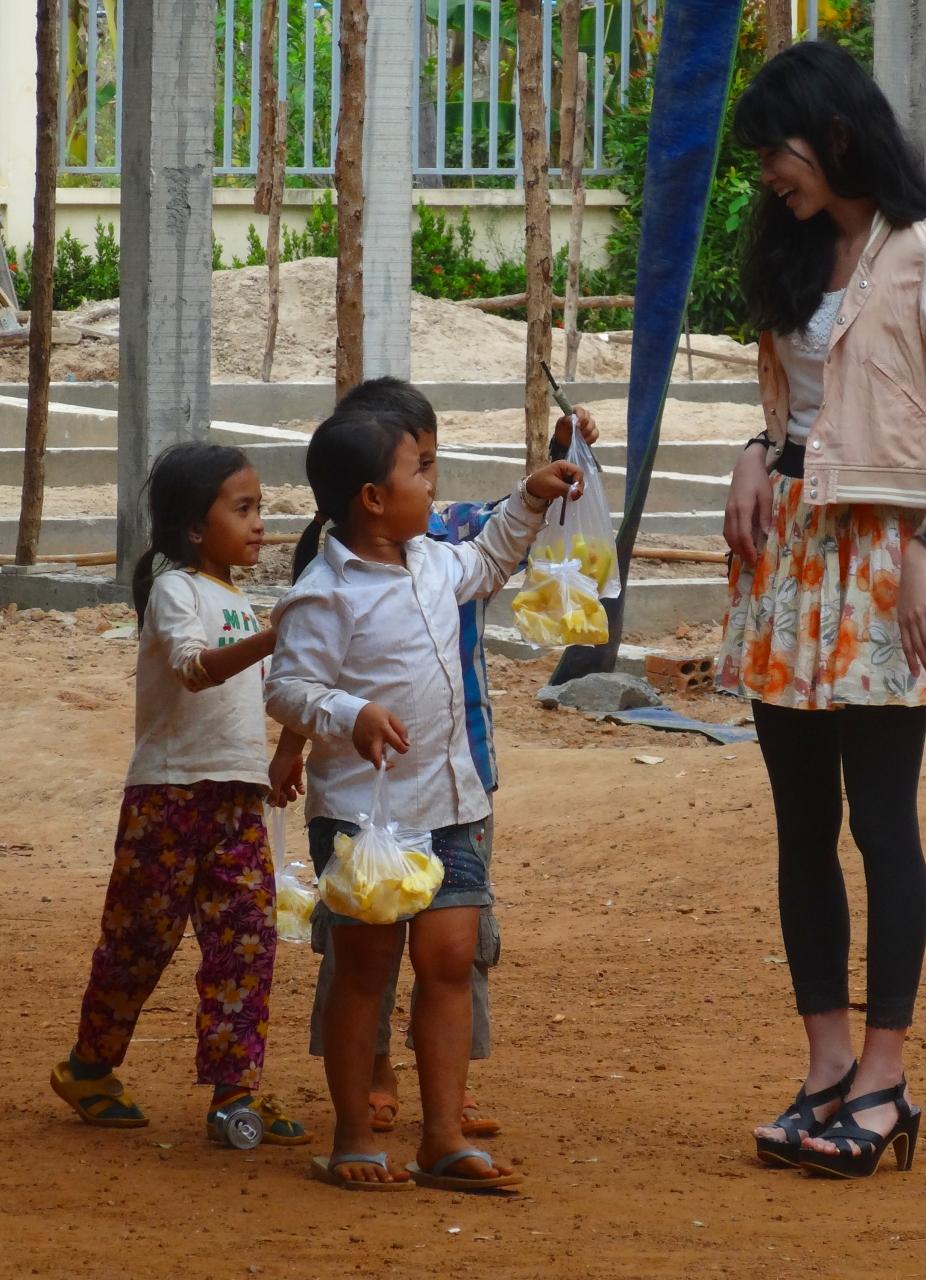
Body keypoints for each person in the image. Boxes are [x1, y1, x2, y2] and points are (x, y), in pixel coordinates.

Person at [716, 42, 926, 1179]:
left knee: (881, 823)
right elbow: (800, 411)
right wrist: (755, 452)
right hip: (793, 566)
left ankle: (886, 1081)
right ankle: (828, 1066)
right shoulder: (795, 248)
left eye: (776, 152)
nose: (766, 176)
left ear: (837, 134)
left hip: (891, 565)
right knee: (801, 826)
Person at [269, 377, 598, 1141]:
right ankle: (354, 1137)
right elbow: (288, 688)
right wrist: (351, 714)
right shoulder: (325, 593)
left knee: (450, 960)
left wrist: (532, 496)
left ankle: (443, 1138)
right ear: (373, 498)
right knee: (364, 970)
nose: (433, 481)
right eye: (420, 468)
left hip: (454, 803)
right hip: (365, 815)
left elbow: (489, 558)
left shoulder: (435, 562)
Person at [51, 443, 308, 1146]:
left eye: (260, 508)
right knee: (138, 941)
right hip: (168, 797)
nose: (260, 523)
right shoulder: (175, 591)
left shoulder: (239, 600)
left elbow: (264, 691)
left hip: (237, 799)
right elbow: (195, 670)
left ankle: (235, 1095)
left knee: (246, 944)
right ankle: (89, 1068)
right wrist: (272, 637)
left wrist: (284, 753)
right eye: (244, 509)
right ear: (195, 527)